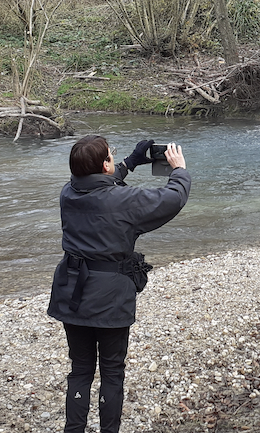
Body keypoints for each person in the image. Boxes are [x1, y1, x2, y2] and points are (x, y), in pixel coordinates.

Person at [47, 137, 190, 433]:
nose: (113, 159)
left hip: (71, 292)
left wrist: (130, 162)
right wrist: (179, 170)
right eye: (111, 156)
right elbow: (173, 198)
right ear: (104, 166)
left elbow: (98, 185)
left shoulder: (68, 193)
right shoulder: (125, 201)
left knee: (80, 370)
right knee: (112, 371)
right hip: (110, 297)